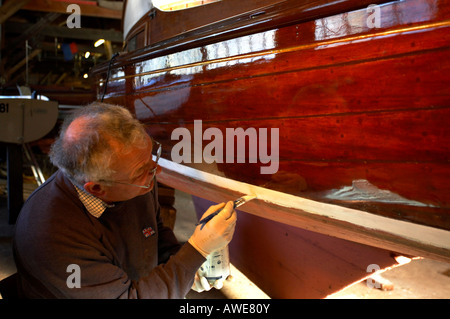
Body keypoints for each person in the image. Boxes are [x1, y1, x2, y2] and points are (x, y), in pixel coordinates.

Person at [13, 102, 237, 298]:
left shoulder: (136, 180)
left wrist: (188, 269)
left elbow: (153, 233)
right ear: (99, 188)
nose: (155, 170)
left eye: (151, 158)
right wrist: (197, 249)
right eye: (142, 170)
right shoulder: (50, 236)